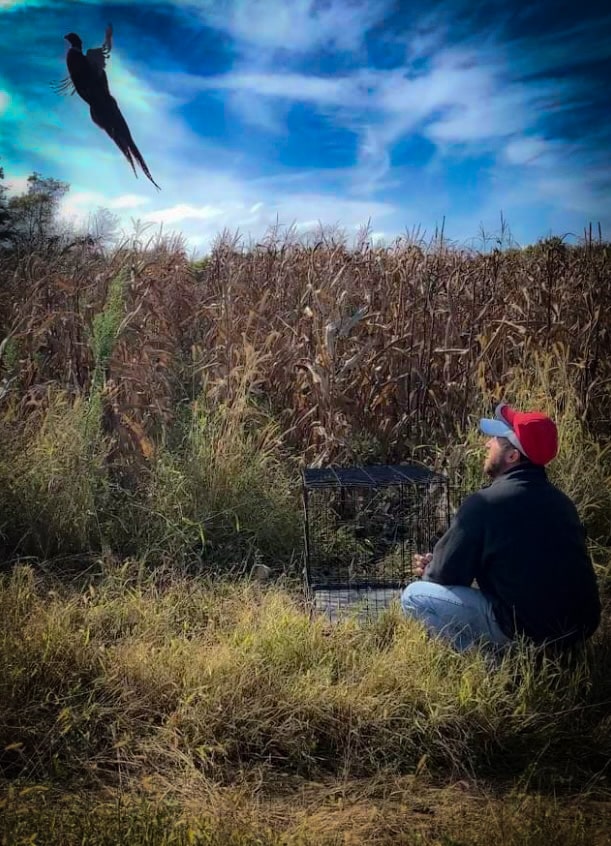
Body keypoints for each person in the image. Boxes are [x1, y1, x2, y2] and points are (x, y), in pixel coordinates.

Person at [401, 403, 601, 653]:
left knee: (415, 595)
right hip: (578, 630)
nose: (487, 444)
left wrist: (431, 566)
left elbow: (443, 576)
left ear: (512, 455)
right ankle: (559, 660)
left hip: (525, 630)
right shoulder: (563, 503)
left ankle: (488, 665)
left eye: (495, 438)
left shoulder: (485, 503)